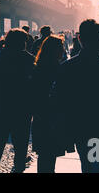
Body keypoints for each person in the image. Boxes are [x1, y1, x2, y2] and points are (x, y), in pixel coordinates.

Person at [55, 19, 99, 173]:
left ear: (79, 38)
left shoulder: (68, 67)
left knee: (90, 165)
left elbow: (60, 101)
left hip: (82, 126)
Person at [0, 29, 35, 173]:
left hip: (0, 107)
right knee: (21, 140)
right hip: (22, 108)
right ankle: (19, 166)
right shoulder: (29, 60)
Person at [31, 35, 66, 173]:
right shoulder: (58, 69)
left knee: (45, 157)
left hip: (40, 117)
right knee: (50, 156)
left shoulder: (37, 67)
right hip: (53, 118)